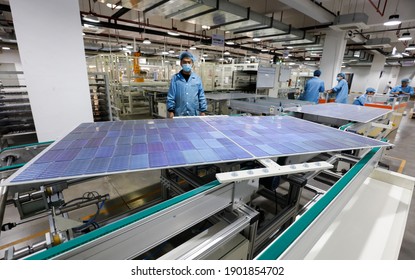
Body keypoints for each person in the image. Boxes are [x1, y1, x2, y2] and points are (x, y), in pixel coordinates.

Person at [167, 51, 207, 118]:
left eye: (189, 62)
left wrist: (203, 111)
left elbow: (201, 96)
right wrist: (171, 111)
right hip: (179, 113)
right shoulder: (175, 79)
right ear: (181, 63)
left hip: (194, 114)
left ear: (192, 64)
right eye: (184, 62)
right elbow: (171, 96)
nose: (187, 64)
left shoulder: (197, 79)